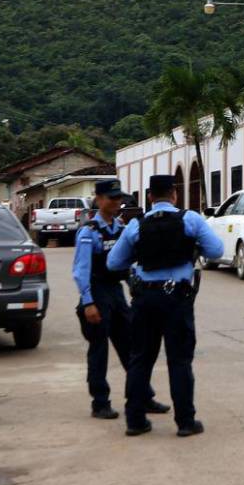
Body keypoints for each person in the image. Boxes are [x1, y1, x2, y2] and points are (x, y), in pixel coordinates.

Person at [107, 174, 223, 437]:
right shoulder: (190, 220)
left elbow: (114, 263)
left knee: (140, 359)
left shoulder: (136, 225)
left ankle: (135, 421)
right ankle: (185, 422)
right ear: (174, 194)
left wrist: (139, 255)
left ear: (149, 197)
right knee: (179, 360)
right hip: (177, 298)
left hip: (145, 299)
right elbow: (216, 250)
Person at [71, 179, 169, 420]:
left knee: (132, 349)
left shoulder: (122, 228)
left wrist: (137, 289)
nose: (117, 202)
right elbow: (80, 270)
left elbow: (128, 265)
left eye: (119, 197)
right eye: (111, 197)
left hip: (116, 292)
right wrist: (88, 302)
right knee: (99, 351)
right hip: (97, 292)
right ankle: (100, 402)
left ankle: (143, 397)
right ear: (99, 199)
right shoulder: (89, 231)